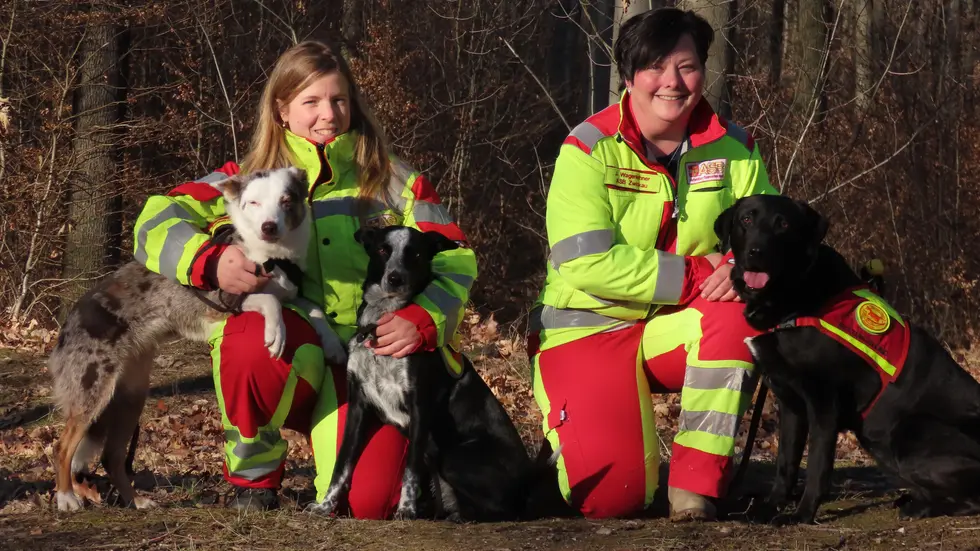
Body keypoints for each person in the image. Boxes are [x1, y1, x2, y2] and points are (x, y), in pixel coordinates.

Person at [132, 40, 477, 516]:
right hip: (297, 348)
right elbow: (154, 219)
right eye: (311, 102)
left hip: (370, 364)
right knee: (248, 337)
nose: (328, 114)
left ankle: (347, 455)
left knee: (370, 502)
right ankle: (255, 481)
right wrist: (208, 261)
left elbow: (456, 256)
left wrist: (424, 317)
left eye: (338, 100)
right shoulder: (245, 179)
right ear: (281, 109)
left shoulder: (396, 179)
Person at [527, 8, 778, 521]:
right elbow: (585, 262)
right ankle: (575, 447)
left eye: (685, 66)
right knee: (612, 499)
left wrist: (736, 267)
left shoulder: (736, 148)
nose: (671, 82)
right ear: (629, 74)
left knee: (737, 314)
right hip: (586, 329)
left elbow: (770, 234)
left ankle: (694, 488)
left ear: (703, 71)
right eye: (655, 66)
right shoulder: (588, 148)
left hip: (671, 329)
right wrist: (696, 274)